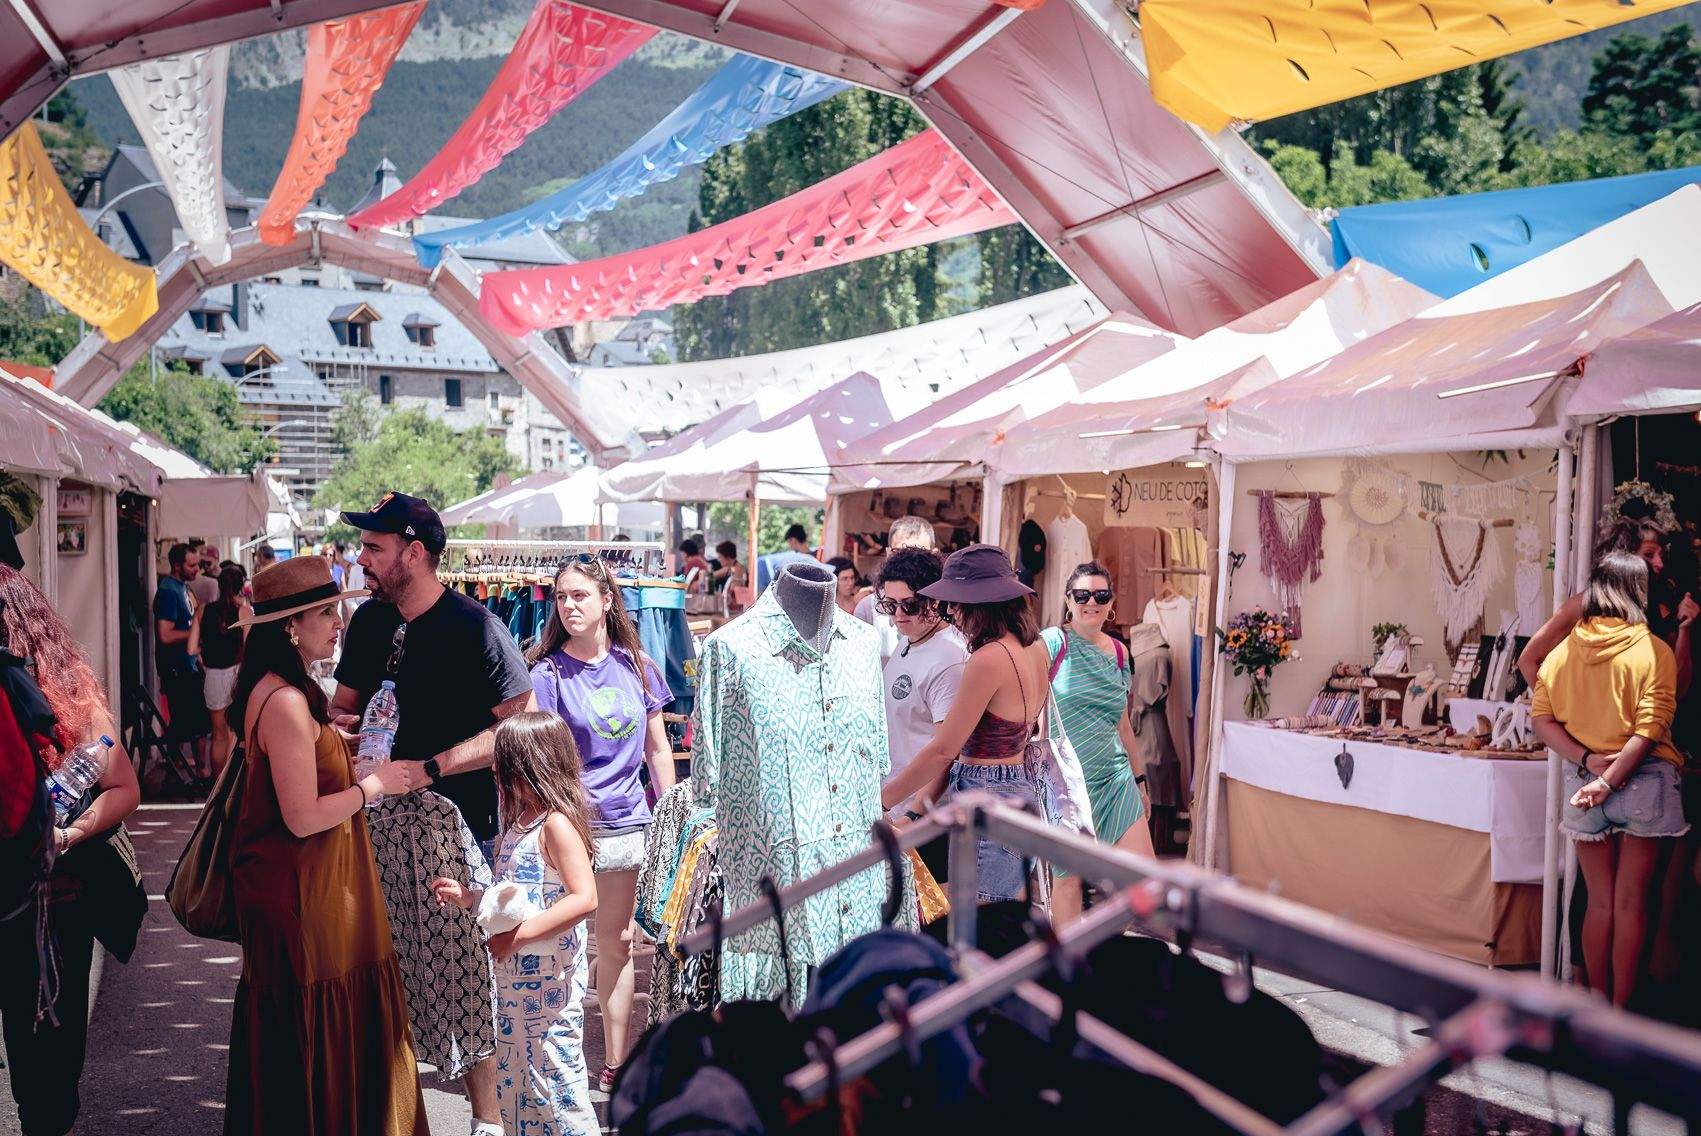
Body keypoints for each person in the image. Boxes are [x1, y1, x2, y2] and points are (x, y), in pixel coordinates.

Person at [332, 492, 535, 1136]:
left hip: (458, 832)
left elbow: (522, 727)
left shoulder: (477, 627)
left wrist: (432, 767)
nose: (363, 559)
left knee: (465, 974)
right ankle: (391, 1115)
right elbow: (345, 708)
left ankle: (486, 1124)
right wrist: (336, 735)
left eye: (375, 548)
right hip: (372, 826)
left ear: (414, 554)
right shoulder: (368, 623)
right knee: (380, 970)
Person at [223, 558, 425, 1133]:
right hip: (302, 900)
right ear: (291, 627)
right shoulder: (285, 700)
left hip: (304, 895)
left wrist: (331, 743)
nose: (339, 623)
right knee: (315, 1035)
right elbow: (303, 816)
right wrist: (372, 787)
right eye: (325, 613)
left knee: (307, 1038)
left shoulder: (284, 692)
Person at [0, 566, 141, 1136]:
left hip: (51, 903)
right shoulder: (71, 690)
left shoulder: (69, 699)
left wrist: (68, 832)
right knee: (48, 1072)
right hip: (51, 901)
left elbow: (124, 785)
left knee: (46, 1066)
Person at [528, 554, 675, 1091]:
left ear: (607, 601)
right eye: (562, 597)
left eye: (580, 596)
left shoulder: (638, 665)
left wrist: (670, 815)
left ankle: (616, 1063)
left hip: (630, 828)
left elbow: (659, 751)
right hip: (570, 831)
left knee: (615, 943)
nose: (569, 606)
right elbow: (539, 762)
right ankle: (550, 1058)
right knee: (564, 945)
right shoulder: (546, 675)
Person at [1530, 551, 1690, 1008]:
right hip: (1644, 779)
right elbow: (1651, 727)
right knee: (1632, 904)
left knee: (1599, 904)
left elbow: (1542, 720)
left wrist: (1588, 764)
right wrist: (1611, 778)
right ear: (1638, 594)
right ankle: (1623, 1017)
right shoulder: (1652, 650)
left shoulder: (1562, 653)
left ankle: (1598, 1013)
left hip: (1584, 780)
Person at [431, 712, 600, 1135]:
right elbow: (513, 898)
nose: (493, 770)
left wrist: (517, 938)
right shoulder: (516, 828)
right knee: (518, 1088)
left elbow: (585, 898)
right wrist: (471, 898)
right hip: (512, 992)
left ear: (529, 765)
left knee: (557, 1085)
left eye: (501, 763)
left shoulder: (555, 826)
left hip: (550, 991)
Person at [881, 545, 1051, 903]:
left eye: (956, 603)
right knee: (1000, 915)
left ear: (980, 604)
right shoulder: (1035, 647)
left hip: (985, 791)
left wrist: (884, 801)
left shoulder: (987, 659)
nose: (952, 613)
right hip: (1020, 787)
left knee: (978, 922)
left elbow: (944, 748)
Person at [1042, 563, 1154, 925]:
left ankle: (1106, 956)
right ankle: (1067, 972)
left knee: (1141, 883)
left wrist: (1140, 782)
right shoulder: (1052, 644)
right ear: (1068, 601)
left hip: (1115, 779)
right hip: (1066, 786)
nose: (1092, 602)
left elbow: (1124, 725)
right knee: (1069, 883)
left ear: (1111, 604)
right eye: (1083, 595)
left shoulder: (1121, 653)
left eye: (1101, 595)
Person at [1521, 519, 1697, 695]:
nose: (1660, 564)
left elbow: (1675, 690)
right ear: (1623, 559)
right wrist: (1555, 715)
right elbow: (1528, 660)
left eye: (1661, 556)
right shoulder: (1587, 604)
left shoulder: (1660, 613)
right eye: (1649, 555)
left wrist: (1685, 630)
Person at [155, 542, 211, 778]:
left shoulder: (183, 587)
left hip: (187, 665)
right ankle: (194, 773)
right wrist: (196, 633)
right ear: (177, 566)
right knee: (187, 724)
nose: (197, 569)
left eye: (198, 563)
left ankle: (188, 772)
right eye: (191, 565)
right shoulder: (168, 590)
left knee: (192, 723)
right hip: (176, 669)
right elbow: (165, 634)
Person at [189, 564, 250, 773]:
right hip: (236, 674)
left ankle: (215, 784)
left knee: (218, 734)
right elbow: (250, 647)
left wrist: (203, 651)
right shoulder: (244, 611)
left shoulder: (203, 609)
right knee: (235, 732)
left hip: (212, 677)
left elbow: (190, 648)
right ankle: (229, 786)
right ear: (240, 586)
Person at [855, 515, 939, 662]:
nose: (908, 561)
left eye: (918, 553)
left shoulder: (949, 608)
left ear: (934, 555)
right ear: (888, 554)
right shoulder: (868, 607)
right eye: (899, 552)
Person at [711, 540, 749, 615]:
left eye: (720, 557)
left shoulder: (738, 571)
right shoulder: (731, 568)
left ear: (727, 557)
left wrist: (716, 594)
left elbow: (734, 597)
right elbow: (711, 576)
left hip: (737, 612)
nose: (718, 560)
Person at [189, 542, 222, 610]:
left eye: (208, 563)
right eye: (203, 563)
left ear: (217, 560)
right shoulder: (203, 578)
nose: (205, 566)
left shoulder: (225, 576)